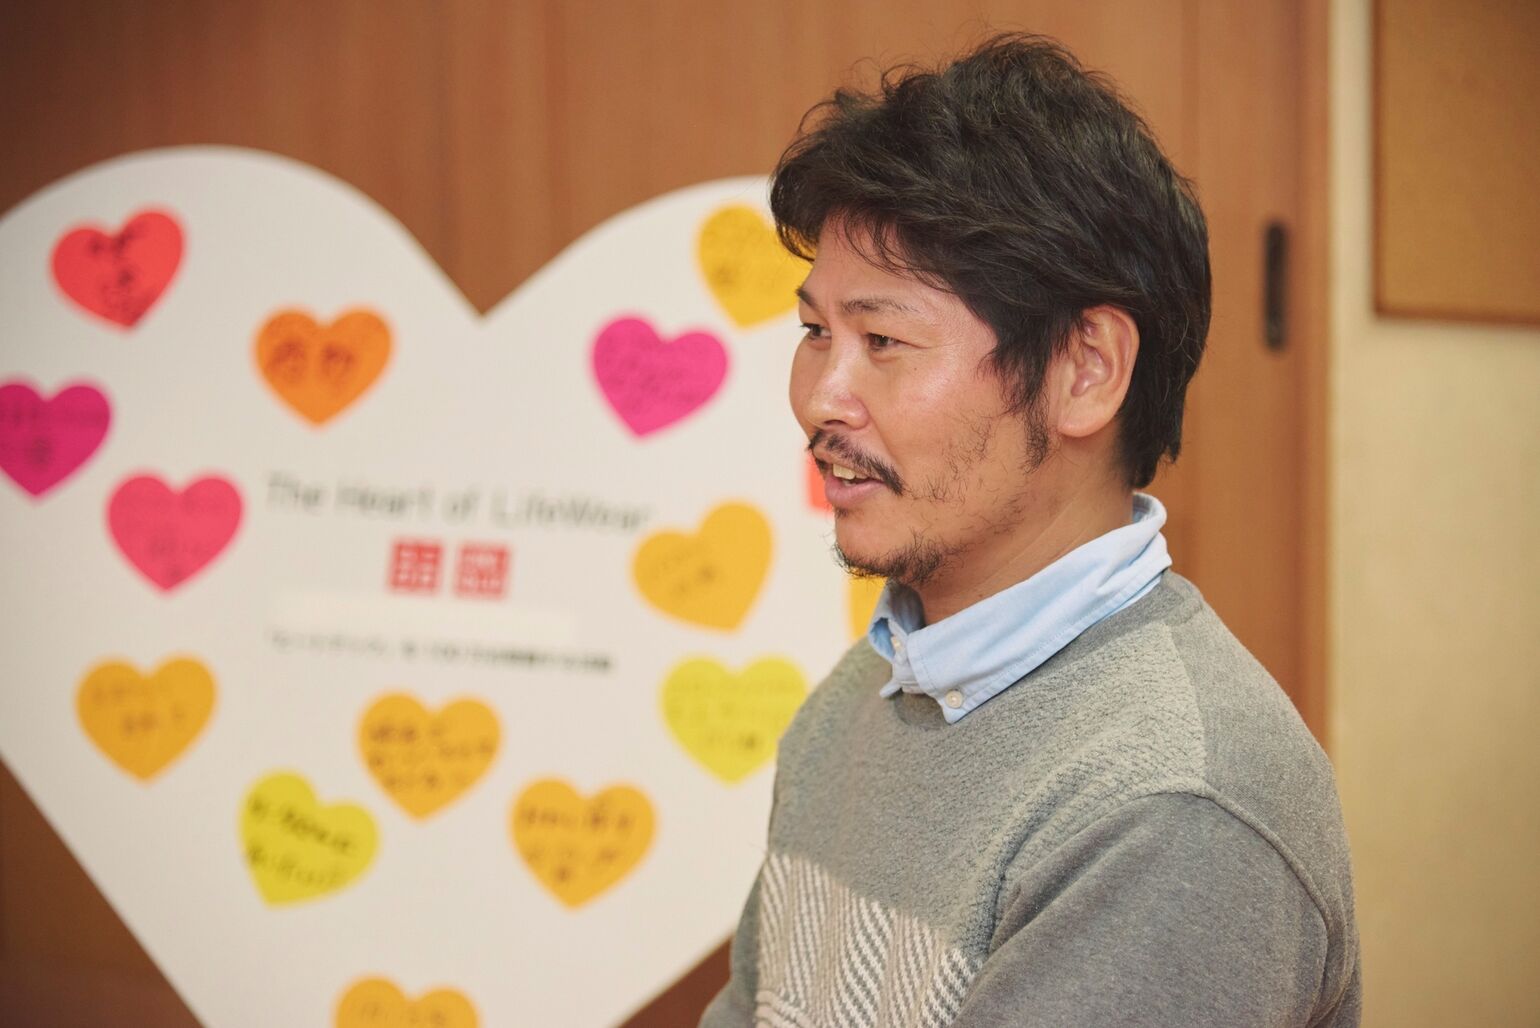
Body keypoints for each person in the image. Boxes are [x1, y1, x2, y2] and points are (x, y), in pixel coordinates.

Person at [700, 33, 1360, 1027]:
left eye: (881, 339)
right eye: (814, 333)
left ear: (1085, 369)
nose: (822, 397)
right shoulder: (861, 696)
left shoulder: (1170, 808)